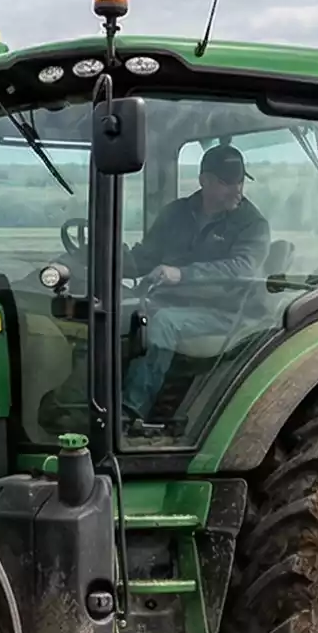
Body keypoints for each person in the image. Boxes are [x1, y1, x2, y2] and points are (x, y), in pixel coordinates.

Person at [121, 144, 269, 426]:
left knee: (162, 322)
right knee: (118, 313)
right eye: (227, 183)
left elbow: (243, 268)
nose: (237, 190)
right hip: (176, 304)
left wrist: (182, 274)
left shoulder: (252, 224)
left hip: (229, 313)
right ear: (205, 181)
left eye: (240, 181)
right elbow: (146, 256)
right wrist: (109, 260)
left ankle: (128, 413)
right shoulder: (176, 214)